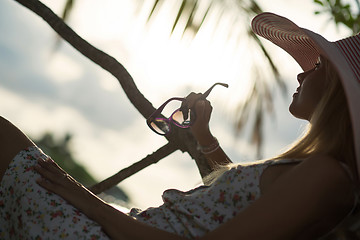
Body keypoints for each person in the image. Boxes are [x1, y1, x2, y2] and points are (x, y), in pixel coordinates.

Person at [0, 12, 359, 240]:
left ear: (338, 92)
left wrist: (87, 201)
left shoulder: (329, 176)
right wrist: (204, 136)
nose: (301, 71)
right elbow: (229, 206)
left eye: (317, 68)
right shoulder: (316, 170)